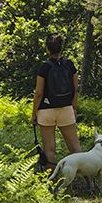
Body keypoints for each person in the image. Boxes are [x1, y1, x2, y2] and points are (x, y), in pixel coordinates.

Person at [32, 33, 82, 169]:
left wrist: (34, 113)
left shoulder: (44, 67)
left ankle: (51, 186)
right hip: (66, 108)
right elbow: (76, 89)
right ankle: (90, 183)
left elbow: (38, 93)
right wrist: (74, 107)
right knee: (75, 148)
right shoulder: (70, 65)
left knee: (49, 150)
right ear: (61, 48)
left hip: (46, 110)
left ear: (47, 49)